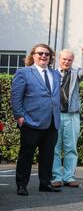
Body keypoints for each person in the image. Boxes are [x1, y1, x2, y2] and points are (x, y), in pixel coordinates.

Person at [11, 44, 62, 196]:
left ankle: (45, 184)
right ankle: (22, 185)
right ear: (33, 55)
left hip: (52, 122)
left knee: (47, 155)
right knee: (26, 155)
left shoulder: (55, 74)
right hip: (30, 121)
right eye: (40, 53)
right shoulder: (24, 73)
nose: (44, 56)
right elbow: (16, 97)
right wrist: (19, 116)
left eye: (47, 54)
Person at [51, 47, 83, 189]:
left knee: (71, 148)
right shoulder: (51, 74)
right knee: (55, 148)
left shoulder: (75, 74)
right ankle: (56, 177)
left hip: (72, 115)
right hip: (54, 116)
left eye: (69, 60)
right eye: (64, 59)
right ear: (58, 60)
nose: (67, 62)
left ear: (72, 61)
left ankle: (69, 176)